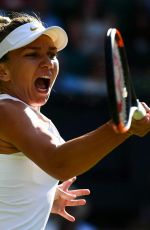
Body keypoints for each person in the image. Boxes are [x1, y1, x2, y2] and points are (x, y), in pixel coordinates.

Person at [0, 12, 149, 230]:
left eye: (52, 55)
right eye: (32, 55)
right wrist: (121, 127)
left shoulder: (26, 115)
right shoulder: (6, 109)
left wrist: (43, 197)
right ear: (3, 71)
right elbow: (60, 164)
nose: (47, 63)